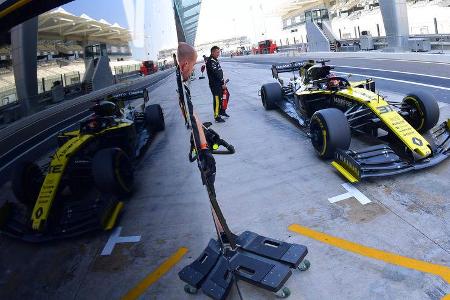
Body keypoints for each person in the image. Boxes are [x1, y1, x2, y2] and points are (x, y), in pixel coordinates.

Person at [177, 42, 216, 183]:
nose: (193, 70)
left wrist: (203, 129)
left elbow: (192, 116)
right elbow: (191, 117)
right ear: (185, 65)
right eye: (193, 66)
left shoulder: (180, 80)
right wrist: (204, 149)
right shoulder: (181, 88)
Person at [206, 46, 229, 123]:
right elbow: (216, 74)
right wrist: (222, 83)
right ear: (212, 52)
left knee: (225, 97)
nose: (218, 54)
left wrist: (222, 82)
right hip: (215, 85)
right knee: (217, 100)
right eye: (217, 52)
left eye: (219, 52)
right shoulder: (210, 61)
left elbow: (219, 72)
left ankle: (222, 111)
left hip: (219, 83)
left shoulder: (215, 60)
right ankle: (216, 116)